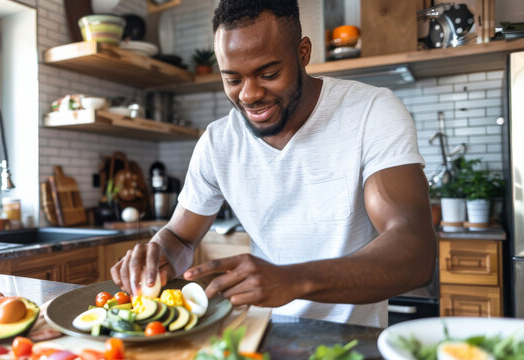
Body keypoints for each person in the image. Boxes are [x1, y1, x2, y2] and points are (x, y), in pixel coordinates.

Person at [111, 0, 436, 328]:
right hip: (260, 335)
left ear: (303, 53)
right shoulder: (218, 142)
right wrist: (155, 255)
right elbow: (180, 238)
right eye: (233, 80)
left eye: (268, 74)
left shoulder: (371, 112)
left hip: (351, 341)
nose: (249, 94)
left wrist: (294, 280)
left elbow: (414, 249)